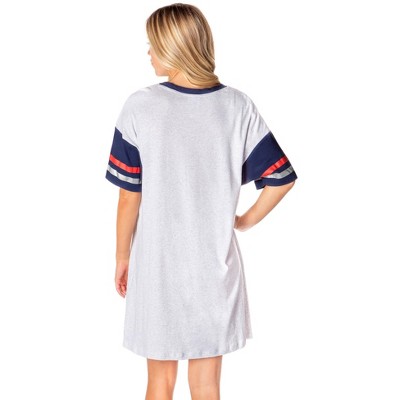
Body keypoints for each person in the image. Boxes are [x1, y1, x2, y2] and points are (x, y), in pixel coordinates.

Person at [105, 3, 297, 399]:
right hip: (214, 268)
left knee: (159, 382)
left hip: (157, 268)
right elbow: (280, 179)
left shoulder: (140, 106)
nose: (149, 53)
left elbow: (128, 196)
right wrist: (243, 220)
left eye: (153, 44)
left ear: (174, 47)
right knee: (207, 385)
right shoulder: (237, 106)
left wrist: (122, 257)